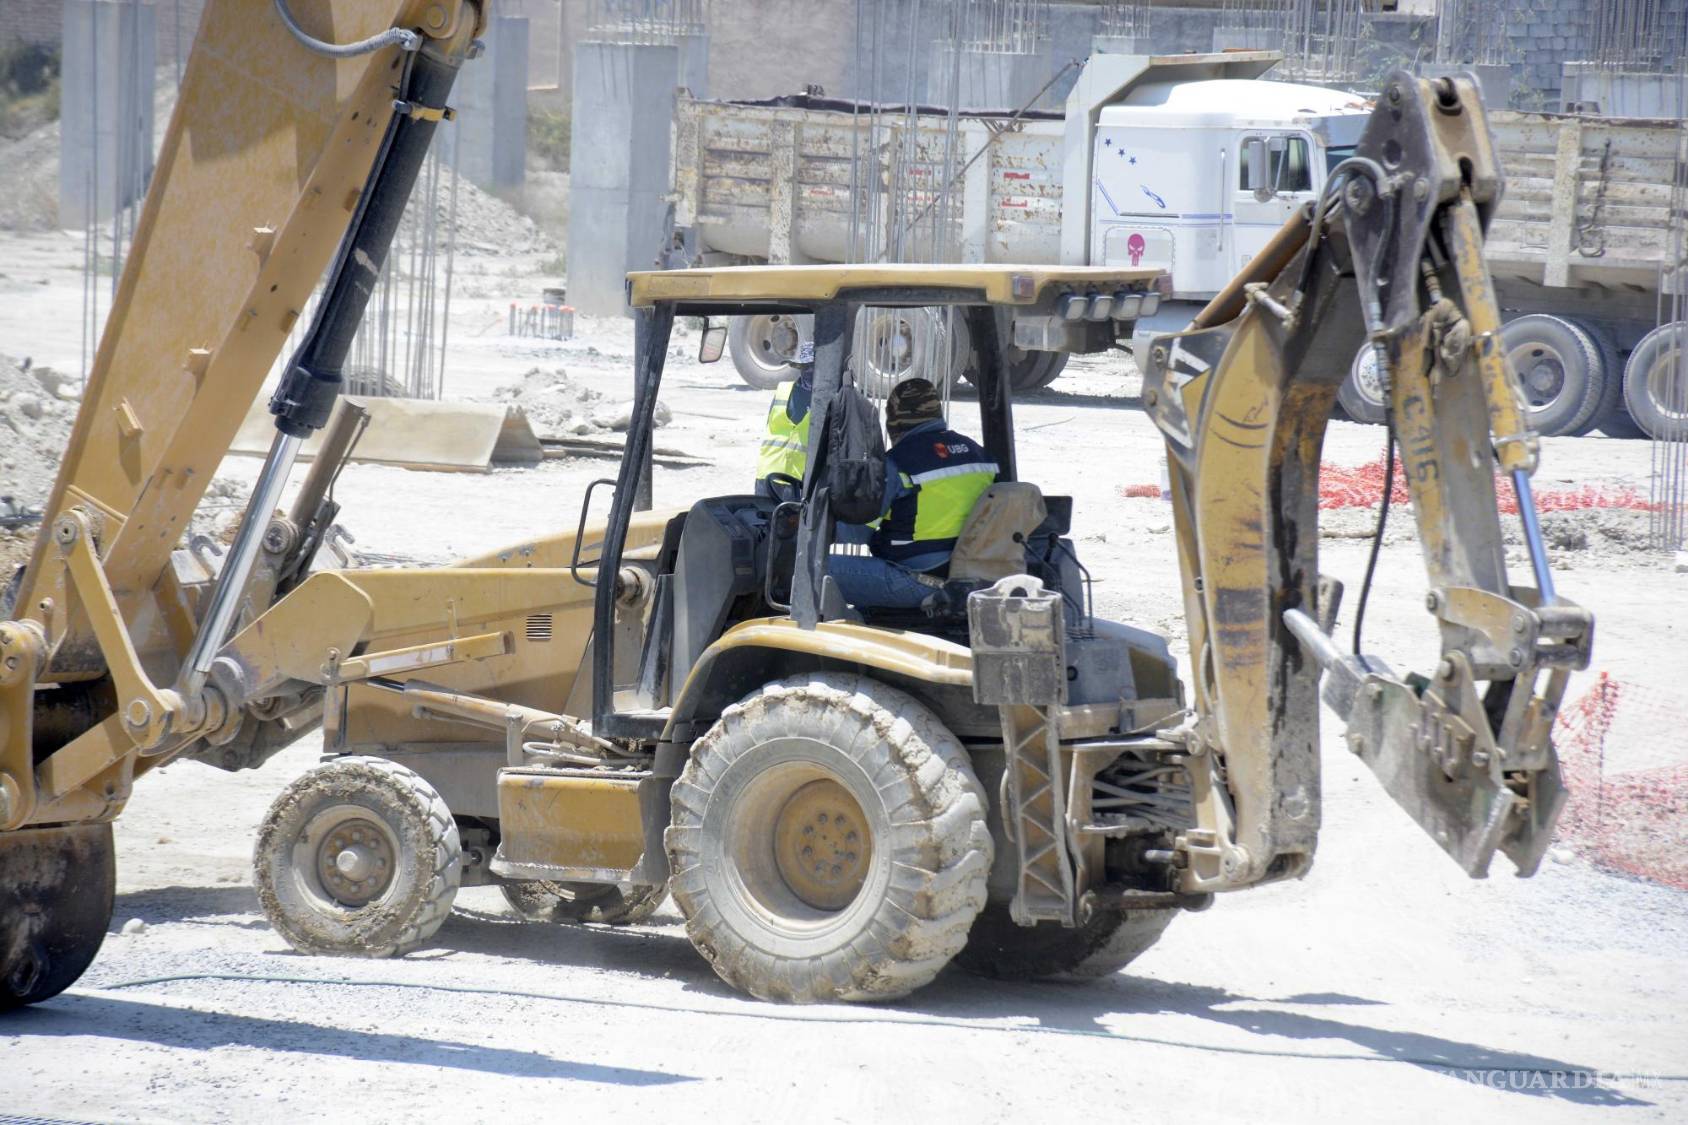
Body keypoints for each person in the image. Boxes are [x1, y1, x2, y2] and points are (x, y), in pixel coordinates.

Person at [830, 377, 999, 610]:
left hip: (915, 581)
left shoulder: (896, 463)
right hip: (971, 578)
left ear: (894, 421)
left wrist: (817, 520)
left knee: (809, 568)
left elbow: (855, 533)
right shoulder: (980, 455)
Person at [754, 341, 813, 497]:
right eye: (805, 367)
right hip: (767, 476)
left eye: (812, 367)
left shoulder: (824, 400)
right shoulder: (783, 390)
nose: (808, 372)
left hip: (798, 482)